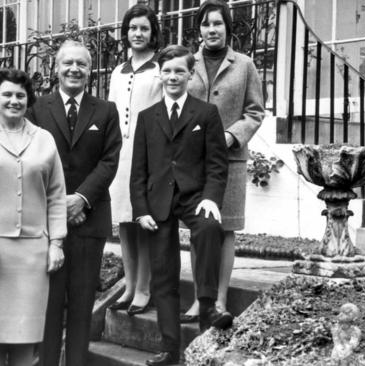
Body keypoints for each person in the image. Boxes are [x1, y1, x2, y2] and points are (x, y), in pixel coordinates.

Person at [0, 69, 67, 366]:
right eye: (7, 94)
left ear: (28, 99)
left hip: (32, 255)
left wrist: (56, 242)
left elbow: (57, 195)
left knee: (25, 342)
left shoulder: (44, 140)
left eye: (20, 95)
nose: (14, 101)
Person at [130, 44, 228, 366]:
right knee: (163, 274)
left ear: (191, 74)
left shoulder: (206, 113)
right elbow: (139, 170)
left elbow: (216, 163)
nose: (173, 76)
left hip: (194, 197)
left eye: (179, 71)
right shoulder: (147, 118)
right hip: (158, 202)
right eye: (167, 71)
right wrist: (141, 209)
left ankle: (208, 308)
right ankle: (170, 348)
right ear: (160, 74)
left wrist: (212, 199)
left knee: (210, 229)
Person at [26, 40, 122, 366]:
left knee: (82, 306)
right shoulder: (38, 110)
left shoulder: (105, 111)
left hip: (90, 221)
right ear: (56, 68)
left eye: (81, 64)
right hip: (47, 224)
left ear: (90, 69)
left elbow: (109, 161)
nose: (74, 69)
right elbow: (31, 162)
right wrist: (60, 205)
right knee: (50, 306)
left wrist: (81, 199)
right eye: (67, 63)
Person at [183, 0, 265, 329]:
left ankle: (218, 298)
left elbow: (255, 111)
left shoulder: (244, 65)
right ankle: (198, 300)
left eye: (217, 24)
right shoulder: (189, 63)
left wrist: (232, 136)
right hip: (193, 161)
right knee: (198, 228)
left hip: (229, 160)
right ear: (199, 29)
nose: (211, 30)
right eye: (205, 24)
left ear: (228, 28)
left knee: (225, 228)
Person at [107, 3, 162, 316]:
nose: (138, 34)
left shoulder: (158, 69)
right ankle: (128, 285)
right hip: (120, 156)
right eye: (132, 28)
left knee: (143, 223)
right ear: (126, 33)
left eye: (143, 28)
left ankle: (144, 288)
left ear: (152, 32)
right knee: (124, 225)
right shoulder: (118, 70)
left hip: (148, 156)